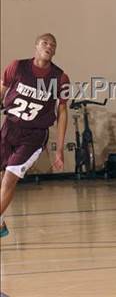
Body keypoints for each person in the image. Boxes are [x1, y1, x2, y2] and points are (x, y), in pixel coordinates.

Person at [0, 33, 69, 238]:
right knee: (3, 178)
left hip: (34, 135)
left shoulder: (60, 77)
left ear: (54, 51)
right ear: (36, 46)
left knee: (10, 179)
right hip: (9, 127)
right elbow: (2, 91)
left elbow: (63, 112)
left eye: (53, 45)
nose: (49, 46)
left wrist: (60, 148)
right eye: (45, 43)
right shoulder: (17, 67)